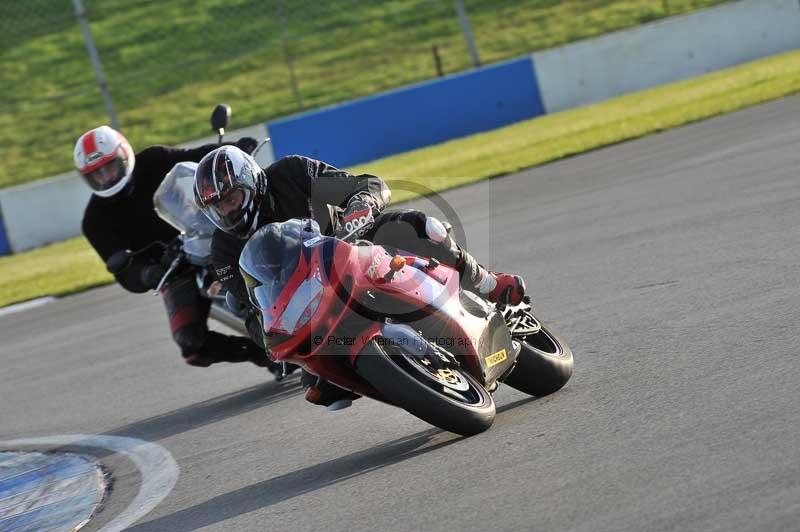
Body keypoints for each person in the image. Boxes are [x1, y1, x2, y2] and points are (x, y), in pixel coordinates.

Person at [193, 145, 527, 407]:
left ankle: (487, 282)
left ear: (252, 182)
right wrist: (270, 343)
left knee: (421, 228)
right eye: (218, 206)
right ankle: (406, 377)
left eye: (232, 198)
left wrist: (360, 206)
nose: (228, 210)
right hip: (314, 306)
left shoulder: (290, 172)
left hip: (353, 251)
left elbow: (361, 184)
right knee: (322, 389)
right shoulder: (223, 251)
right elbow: (251, 307)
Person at [75, 125, 280, 372]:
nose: (105, 177)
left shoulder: (153, 159)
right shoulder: (94, 221)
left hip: (206, 233)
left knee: (265, 248)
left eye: (109, 167)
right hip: (170, 268)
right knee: (191, 343)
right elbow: (121, 269)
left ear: (123, 155)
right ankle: (262, 354)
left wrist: (234, 150)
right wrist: (146, 274)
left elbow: (197, 157)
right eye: (96, 174)